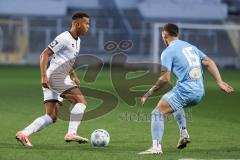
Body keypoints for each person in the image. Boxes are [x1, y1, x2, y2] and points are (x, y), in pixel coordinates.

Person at [139, 23, 234, 154]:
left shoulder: (168, 52)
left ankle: (156, 147)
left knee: (157, 113)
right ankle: (184, 133)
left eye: (162, 36)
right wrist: (220, 82)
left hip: (186, 91)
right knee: (175, 103)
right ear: (177, 34)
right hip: (199, 92)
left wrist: (148, 92)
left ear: (164, 35)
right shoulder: (191, 47)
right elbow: (209, 62)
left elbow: (165, 78)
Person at [16, 11, 90, 147]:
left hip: (59, 76)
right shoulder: (64, 38)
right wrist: (44, 76)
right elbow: (44, 55)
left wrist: (73, 74)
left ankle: (24, 133)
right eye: (86, 23)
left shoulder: (78, 40)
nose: (88, 26)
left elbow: (67, 59)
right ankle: (71, 133)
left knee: (51, 116)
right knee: (81, 101)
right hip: (56, 76)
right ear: (78, 24)